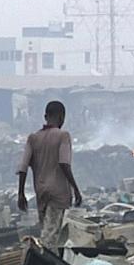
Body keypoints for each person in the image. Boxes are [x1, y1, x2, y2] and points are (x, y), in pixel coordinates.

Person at [16, 100, 82, 250]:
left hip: (41, 193)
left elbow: (23, 167)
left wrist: (21, 194)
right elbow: (64, 163)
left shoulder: (33, 138)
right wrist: (75, 189)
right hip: (58, 194)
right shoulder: (63, 135)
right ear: (62, 117)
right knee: (50, 237)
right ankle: (41, 264)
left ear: (45, 116)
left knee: (46, 231)